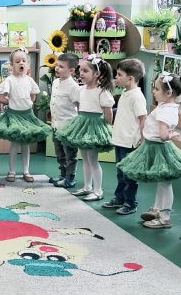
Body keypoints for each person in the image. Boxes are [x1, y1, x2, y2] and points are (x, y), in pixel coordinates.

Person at [116, 73, 181, 229]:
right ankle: (157, 209)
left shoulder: (165, 111)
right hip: (154, 146)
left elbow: (163, 135)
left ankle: (165, 217)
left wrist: (171, 135)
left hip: (160, 149)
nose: (153, 92)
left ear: (168, 93)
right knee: (161, 182)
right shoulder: (166, 106)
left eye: (156, 89)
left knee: (165, 184)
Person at [57, 54, 114, 201]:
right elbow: (79, 106)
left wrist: (104, 129)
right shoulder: (81, 90)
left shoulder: (102, 92)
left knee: (93, 160)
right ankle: (87, 186)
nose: (81, 73)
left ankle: (98, 190)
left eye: (85, 71)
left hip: (95, 127)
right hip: (82, 125)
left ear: (97, 73)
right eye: (80, 70)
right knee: (85, 159)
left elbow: (108, 114)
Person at [0, 47, 51, 182]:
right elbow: (1, 97)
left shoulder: (29, 80)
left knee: (25, 144)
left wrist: (27, 102)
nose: (21, 63)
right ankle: (11, 171)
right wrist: (11, 101)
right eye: (17, 61)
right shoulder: (9, 80)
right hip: (14, 116)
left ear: (27, 64)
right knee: (15, 144)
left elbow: (33, 96)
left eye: (23, 61)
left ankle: (26, 171)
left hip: (27, 115)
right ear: (12, 65)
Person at [103, 58, 148, 215]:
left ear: (130, 78)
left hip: (130, 142)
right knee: (120, 173)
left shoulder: (136, 96)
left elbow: (143, 118)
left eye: (119, 75)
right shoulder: (125, 92)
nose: (116, 77)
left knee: (129, 175)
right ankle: (120, 197)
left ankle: (130, 202)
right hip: (120, 140)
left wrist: (141, 137)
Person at [48, 53, 81, 188]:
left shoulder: (73, 87)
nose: (57, 68)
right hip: (56, 125)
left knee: (70, 154)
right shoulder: (56, 82)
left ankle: (70, 178)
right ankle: (62, 175)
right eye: (57, 65)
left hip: (68, 127)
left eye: (61, 67)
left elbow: (79, 105)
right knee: (60, 153)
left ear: (71, 70)